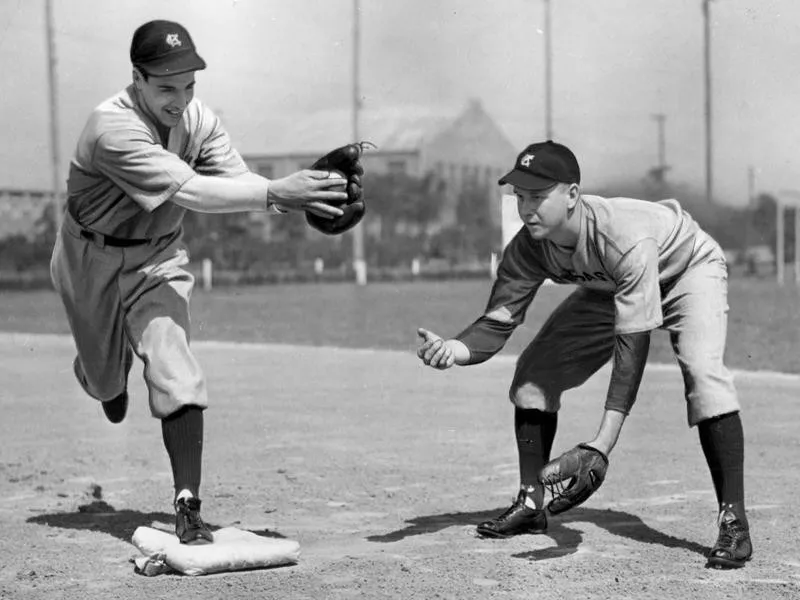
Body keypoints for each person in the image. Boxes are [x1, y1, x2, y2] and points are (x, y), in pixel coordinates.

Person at [50, 20, 348, 545]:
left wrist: (302, 194)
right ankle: (102, 373)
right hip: (87, 257)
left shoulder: (197, 119)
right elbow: (190, 191)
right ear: (136, 80)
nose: (179, 98)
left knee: (174, 365)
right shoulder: (111, 129)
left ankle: (187, 503)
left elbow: (238, 181)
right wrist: (280, 191)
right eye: (165, 86)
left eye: (189, 85)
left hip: (158, 259)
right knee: (106, 385)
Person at [416, 140, 752, 569]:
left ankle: (734, 523)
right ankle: (532, 503)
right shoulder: (530, 246)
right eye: (520, 196)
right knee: (533, 377)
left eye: (538, 196)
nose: (526, 208)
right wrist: (454, 349)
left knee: (705, 379)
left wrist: (601, 445)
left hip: (686, 271)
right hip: (608, 287)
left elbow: (632, 348)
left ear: (572, 195)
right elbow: (499, 320)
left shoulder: (622, 236)